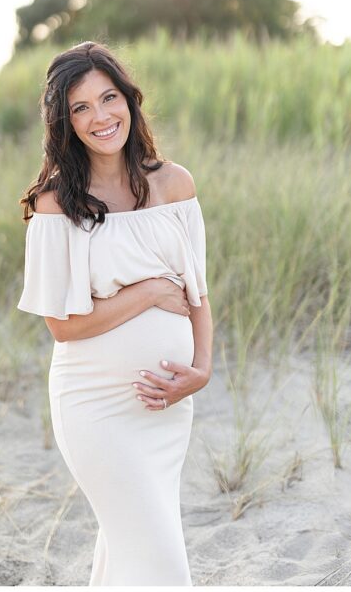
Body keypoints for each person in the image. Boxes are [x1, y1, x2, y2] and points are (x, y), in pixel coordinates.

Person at [17, 42, 213, 585]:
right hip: (95, 406)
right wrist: (149, 292)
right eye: (81, 108)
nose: (101, 116)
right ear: (65, 122)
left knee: (128, 551)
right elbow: (62, 324)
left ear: (130, 100)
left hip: (166, 406)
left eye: (109, 98)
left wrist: (201, 370)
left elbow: (199, 293)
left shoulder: (175, 183)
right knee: (161, 559)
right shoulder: (57, 204)